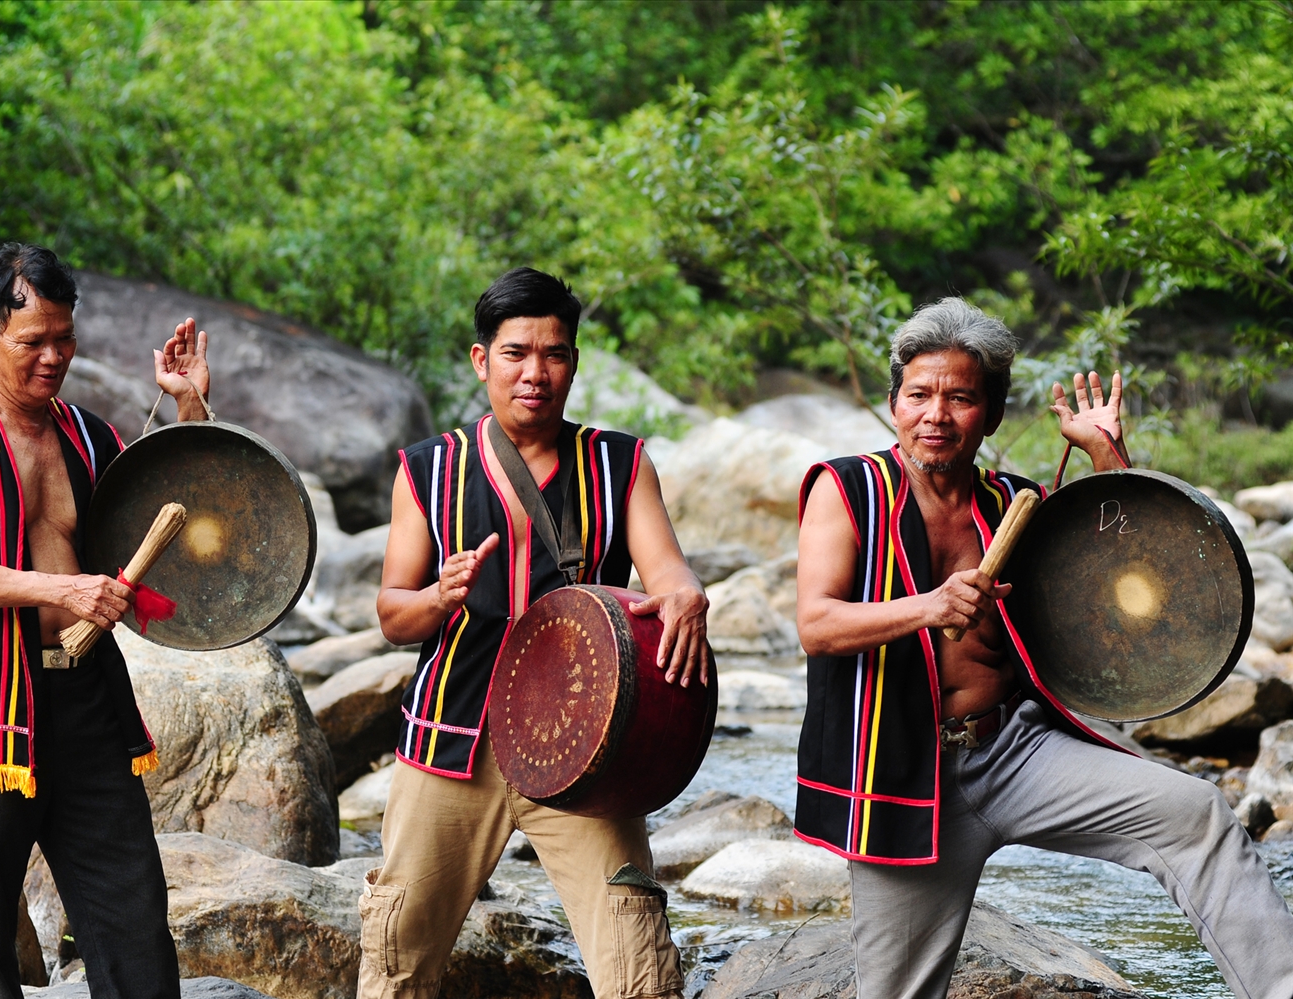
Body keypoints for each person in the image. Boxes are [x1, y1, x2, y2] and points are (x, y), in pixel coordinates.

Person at [794, 297, 1293, 999]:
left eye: (960, 397)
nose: (936, 413)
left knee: (1197, 814)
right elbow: (816, 623)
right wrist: (930, 605)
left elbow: (1135, 587)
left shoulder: (1017, 503)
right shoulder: (846, 490)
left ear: (990, 414)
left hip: (1017, 752)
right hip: (904, 768)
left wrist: (1106, 456)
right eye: (919, 394)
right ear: (894, 402)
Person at [361, 267, 711, 999]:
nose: (535, 372)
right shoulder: (427, 471)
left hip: (589, 753)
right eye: (516, 352)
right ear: (481, 359)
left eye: (554, 354)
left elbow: (670, 574)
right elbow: (393, 614)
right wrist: (437, 596)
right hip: (450, 740)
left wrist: (686, 600)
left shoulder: (621, 464)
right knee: (396, 960)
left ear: (575, 364)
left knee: (637, 966)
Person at [0, 243, 210, 999]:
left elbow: (169, 518)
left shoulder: (88, 434)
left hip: (85, 699)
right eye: (34, 342)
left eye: (65, 338)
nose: (54, 356)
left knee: (132, 916)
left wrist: (187, 406)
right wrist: (60, 587)